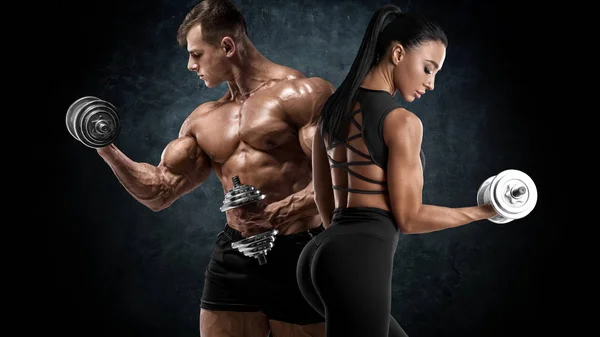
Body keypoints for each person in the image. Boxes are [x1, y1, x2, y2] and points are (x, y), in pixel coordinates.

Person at [93, 0, 335, 336]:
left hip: (300, 253)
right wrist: (104, 147)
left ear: (227, 45)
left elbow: (345, 178)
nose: (191, 65)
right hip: (234, 254)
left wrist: (281, 211)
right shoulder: (203, 119)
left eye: (196, 54)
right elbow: (160, 192)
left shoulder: (303, 94)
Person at [296, 4, 499, 337]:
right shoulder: (402, 122)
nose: (431, 84)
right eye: (428, 68)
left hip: (318, 257)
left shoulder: (331, 111)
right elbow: (409, 218)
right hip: (357, 260)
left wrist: (343, 248)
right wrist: (484, 211)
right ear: (398, 53)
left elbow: (323, 197)